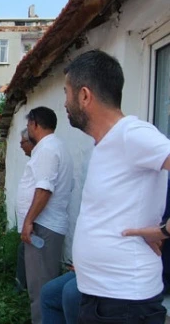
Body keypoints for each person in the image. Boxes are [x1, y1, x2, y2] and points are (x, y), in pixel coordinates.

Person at [65, 50, 170, 323]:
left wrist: (165, 230)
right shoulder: (106, 143)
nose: (64, 103)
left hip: (125, 303)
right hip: (104, 296)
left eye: (67, 92)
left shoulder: (132, 134)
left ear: (85, 95)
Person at [18, 106, 74, 324]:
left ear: (34, 124)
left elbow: (44, 189)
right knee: (44, 289)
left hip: (43, 227)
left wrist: (29, 221)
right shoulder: (52, 146)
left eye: (27, 125)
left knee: (41, 291)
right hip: (46, 226)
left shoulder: (47, 149)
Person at [16, 128, 35, 292]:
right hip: (28, 222)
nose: (20, 146)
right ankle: (22, 287)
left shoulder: (42, 159)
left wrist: (30, 220)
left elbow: (43, 191)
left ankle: (23, 289)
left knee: (29, 256)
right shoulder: (34, 160)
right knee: (24, 253)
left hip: (34, 222)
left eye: (22, 142)